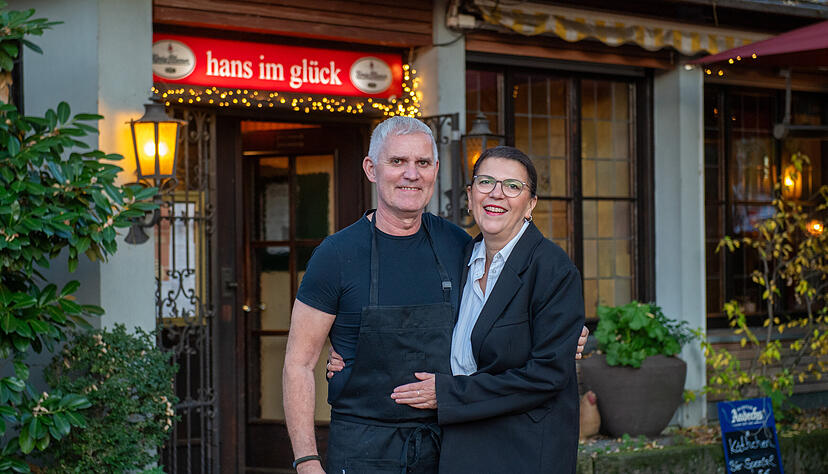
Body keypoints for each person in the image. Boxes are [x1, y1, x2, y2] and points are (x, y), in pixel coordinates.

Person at [284, 117, 586, 474]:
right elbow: (299, 363)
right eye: (397, 162)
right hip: (363, 449)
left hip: (448, 447)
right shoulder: (335, 255)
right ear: (371, 168)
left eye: (422, 163)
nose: (411, 174)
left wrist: (567, 335)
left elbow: (505, 313)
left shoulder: (458, 245)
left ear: (435, 171)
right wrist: (306, 461)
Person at [389, 146, 585, 473]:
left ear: (530, 204)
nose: (497, 194)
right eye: (486, 182)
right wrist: (346, 347)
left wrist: (450, 393)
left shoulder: (552, 270)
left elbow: (547, 375)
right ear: (470, 195)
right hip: (460, 445)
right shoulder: (461, 259)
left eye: (512, 186)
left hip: (522, 450)